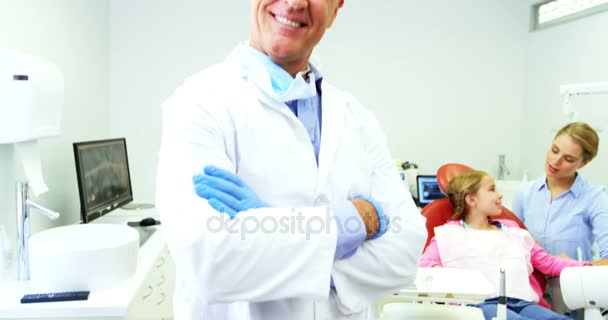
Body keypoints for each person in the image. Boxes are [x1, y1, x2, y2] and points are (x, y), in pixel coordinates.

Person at [155, 0, 427, 319]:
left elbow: (406, 250)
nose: (295, 3)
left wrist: (268, 227)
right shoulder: (198, 103)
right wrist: (351, 221)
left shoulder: (359, 120)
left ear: (336, 8)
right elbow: (209, 259)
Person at [419, 170, 594, 320]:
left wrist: (588, 267)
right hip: (479, 305)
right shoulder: (448, 234)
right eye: (492, 190)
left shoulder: (513, 231)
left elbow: (547, 262)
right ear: (471, 200)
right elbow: (424, 265)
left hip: (522, 302)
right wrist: (439, 273)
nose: (500, 195)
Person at [512, 122, 608, 262]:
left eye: (568, 159)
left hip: (572, 282)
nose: (555, 161)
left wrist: (573, 268)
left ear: (583, 163)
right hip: (529, 282)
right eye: (555, 150)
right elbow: (511, 241)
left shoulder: (594, 198)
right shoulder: (525, 193)